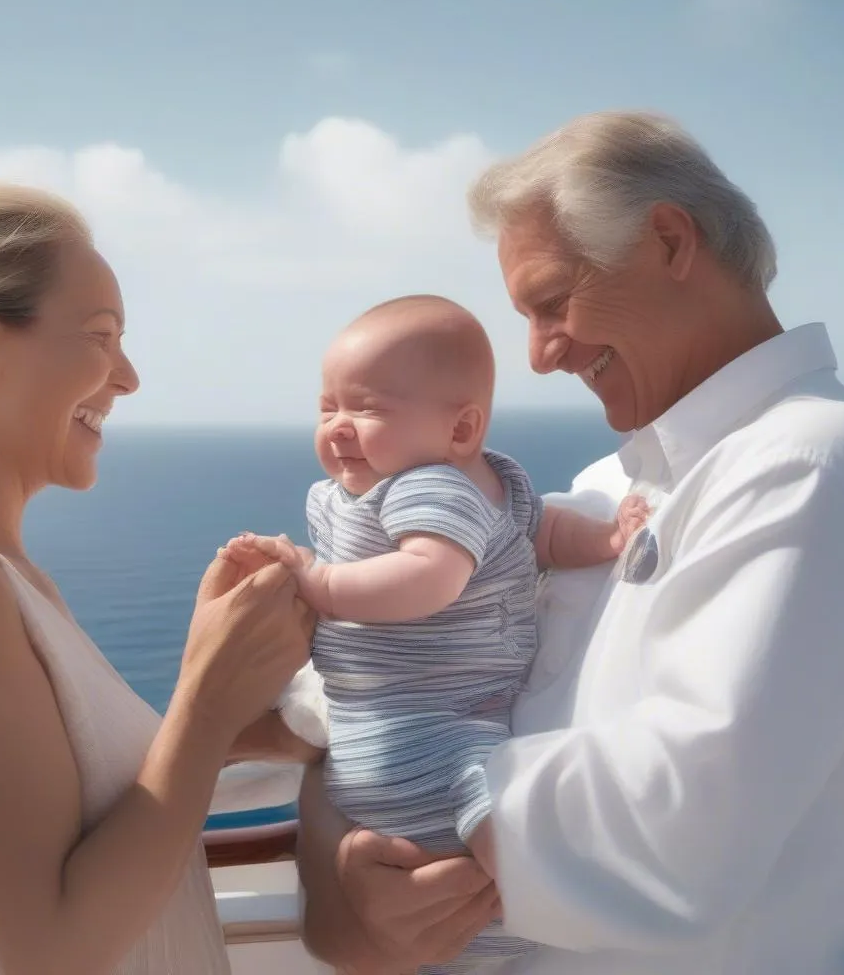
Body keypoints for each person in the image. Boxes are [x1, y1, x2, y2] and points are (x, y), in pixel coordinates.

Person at [293, 110, 844, 974]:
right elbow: (413, 665)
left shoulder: (809, 462)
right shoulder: (612, 496)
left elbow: (678, 830)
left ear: (670, 242)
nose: (537, 356)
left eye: (551, 301)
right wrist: (346, 867)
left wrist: (403, 795)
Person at [0, 182, 316, 975]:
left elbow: (71, 815)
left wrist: (239, 718)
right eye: (102, 336)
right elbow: (50, 953)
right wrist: (205, 706)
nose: (129, 376)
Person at [225, 293, 647, 973]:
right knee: (484, 824)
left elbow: (432, 577)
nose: (338, 426)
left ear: (461, 430)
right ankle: (538, 902)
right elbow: (539, 534)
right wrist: (598, 538)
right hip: (396, 736)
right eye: (327, 405)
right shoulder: (396, 493)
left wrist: (317, 583)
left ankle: (536, 901)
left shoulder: (429, 490)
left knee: (487, 815)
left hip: (435, 732)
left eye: (367, 409)